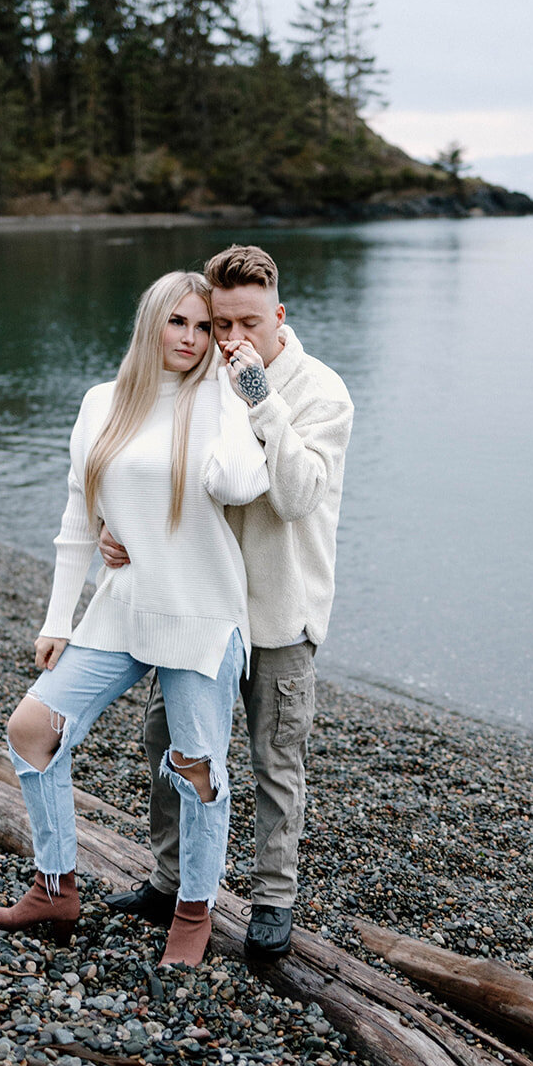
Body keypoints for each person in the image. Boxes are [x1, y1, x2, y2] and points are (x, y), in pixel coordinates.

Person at [0, 270, 268, 967]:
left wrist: (244, 396)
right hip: (119, 609)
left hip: (199, 612)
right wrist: (58, 621)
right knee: (31, 730)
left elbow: (240, 483)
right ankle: (54, 885)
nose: (193, 339)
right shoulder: (102, 402)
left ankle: (193, 917)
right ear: (151, 323)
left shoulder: (219, 398)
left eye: (205, 327)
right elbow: (78, 518)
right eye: (180, 323)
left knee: (197, 770)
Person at [102, 245, 354, 958]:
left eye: (248, 322)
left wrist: (259, 398)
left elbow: (298, 495)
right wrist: (109, 526)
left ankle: (273, 897)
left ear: (278, 315)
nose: (232, 339)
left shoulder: (321, 393)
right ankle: (169, 878)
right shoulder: (197, 378)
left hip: (279, 612)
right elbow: (144, 463)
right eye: (221, 324)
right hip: (198, 607)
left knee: (275, 758)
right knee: (165, 743)